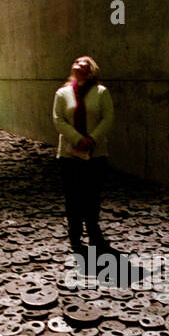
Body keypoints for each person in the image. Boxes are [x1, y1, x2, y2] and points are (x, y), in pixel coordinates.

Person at [53, 55, 115, 260]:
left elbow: (108, 118)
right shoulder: (62, 93)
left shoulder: (101, 93)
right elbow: (58, 119)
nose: (79, 65)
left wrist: (92, 139)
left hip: (95, 154)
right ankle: (75, 233)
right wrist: (77, 138)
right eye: (77, 62)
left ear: (91, 71)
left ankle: (94, 232)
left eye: (85, 64)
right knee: (72, 196)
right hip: (69, 154)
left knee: (92, 195)